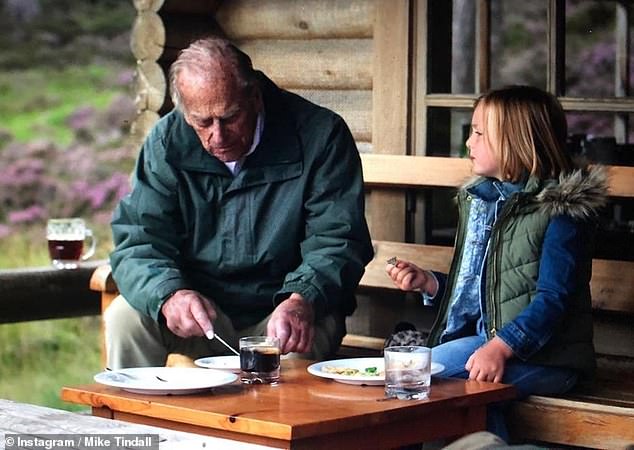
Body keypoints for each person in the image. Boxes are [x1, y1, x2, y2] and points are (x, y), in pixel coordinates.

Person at [105, 37, 373, 368]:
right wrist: (169, 295)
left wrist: (304, 298)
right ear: (185, 112)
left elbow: (338, 240)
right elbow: (139, 240)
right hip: (202, 315)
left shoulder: (321, 135)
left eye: (230, 117)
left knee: (292, 352)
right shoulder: (166, 141)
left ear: (255, 97)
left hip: (286, 312)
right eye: (203, 122)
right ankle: (128, 420)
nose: (218, 135)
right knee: (124, 318)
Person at [386, 85, 608, 440]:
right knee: (417, 376)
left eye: (477, 133)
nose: (468, 144)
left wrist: (501, 347)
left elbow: (555, 299)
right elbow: (487, 290)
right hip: (488, 345)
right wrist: (431, 283)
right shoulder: (487, 202)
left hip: (548, 358)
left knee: (427, 379)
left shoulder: (561, 211)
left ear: (514, 141)